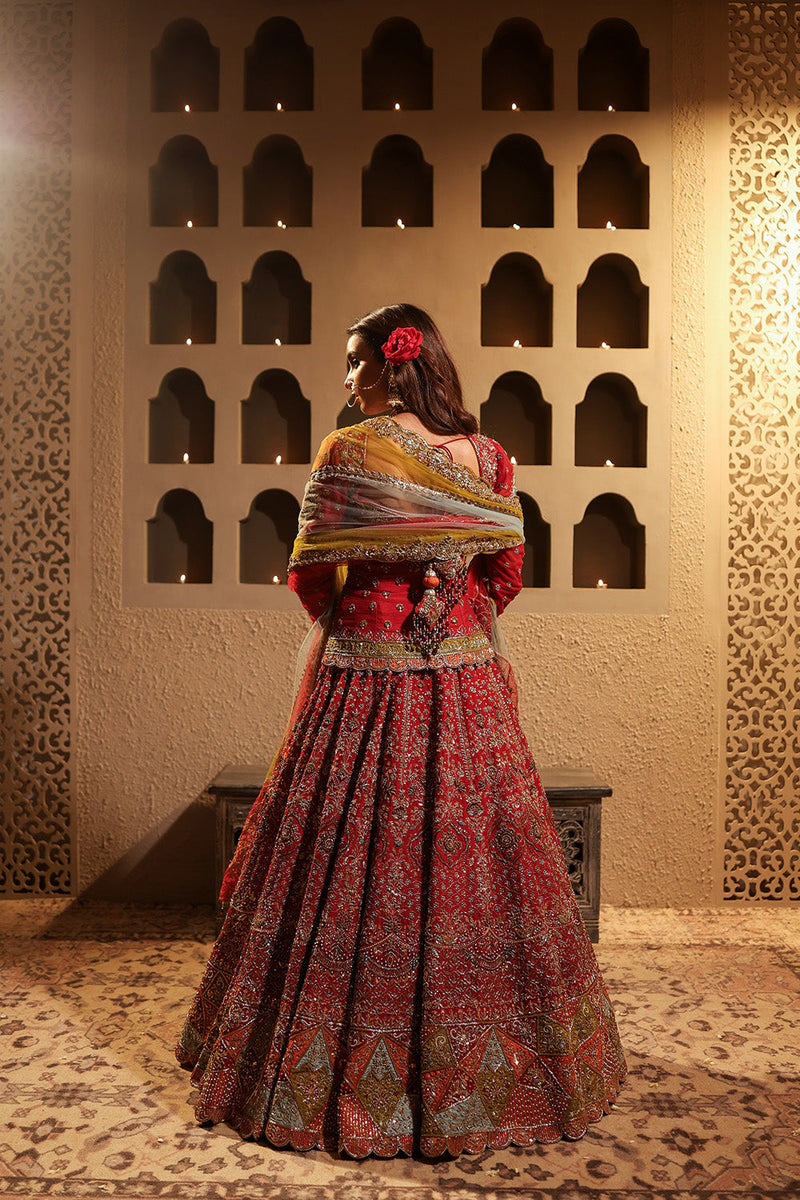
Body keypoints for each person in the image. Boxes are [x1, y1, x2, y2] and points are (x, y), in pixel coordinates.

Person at [175, 303, 626, 1159]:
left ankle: (312, 1076)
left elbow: (313, 577)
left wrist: (374, 610)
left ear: (393, 365)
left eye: (355, 363)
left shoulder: (350, 453)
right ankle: (505, 1079)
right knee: (483, 873)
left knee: (341, 872)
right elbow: (505, 574)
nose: (346, 381)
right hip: (469, 687)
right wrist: (446, 608)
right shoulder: (490, 459)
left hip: (360, 683)